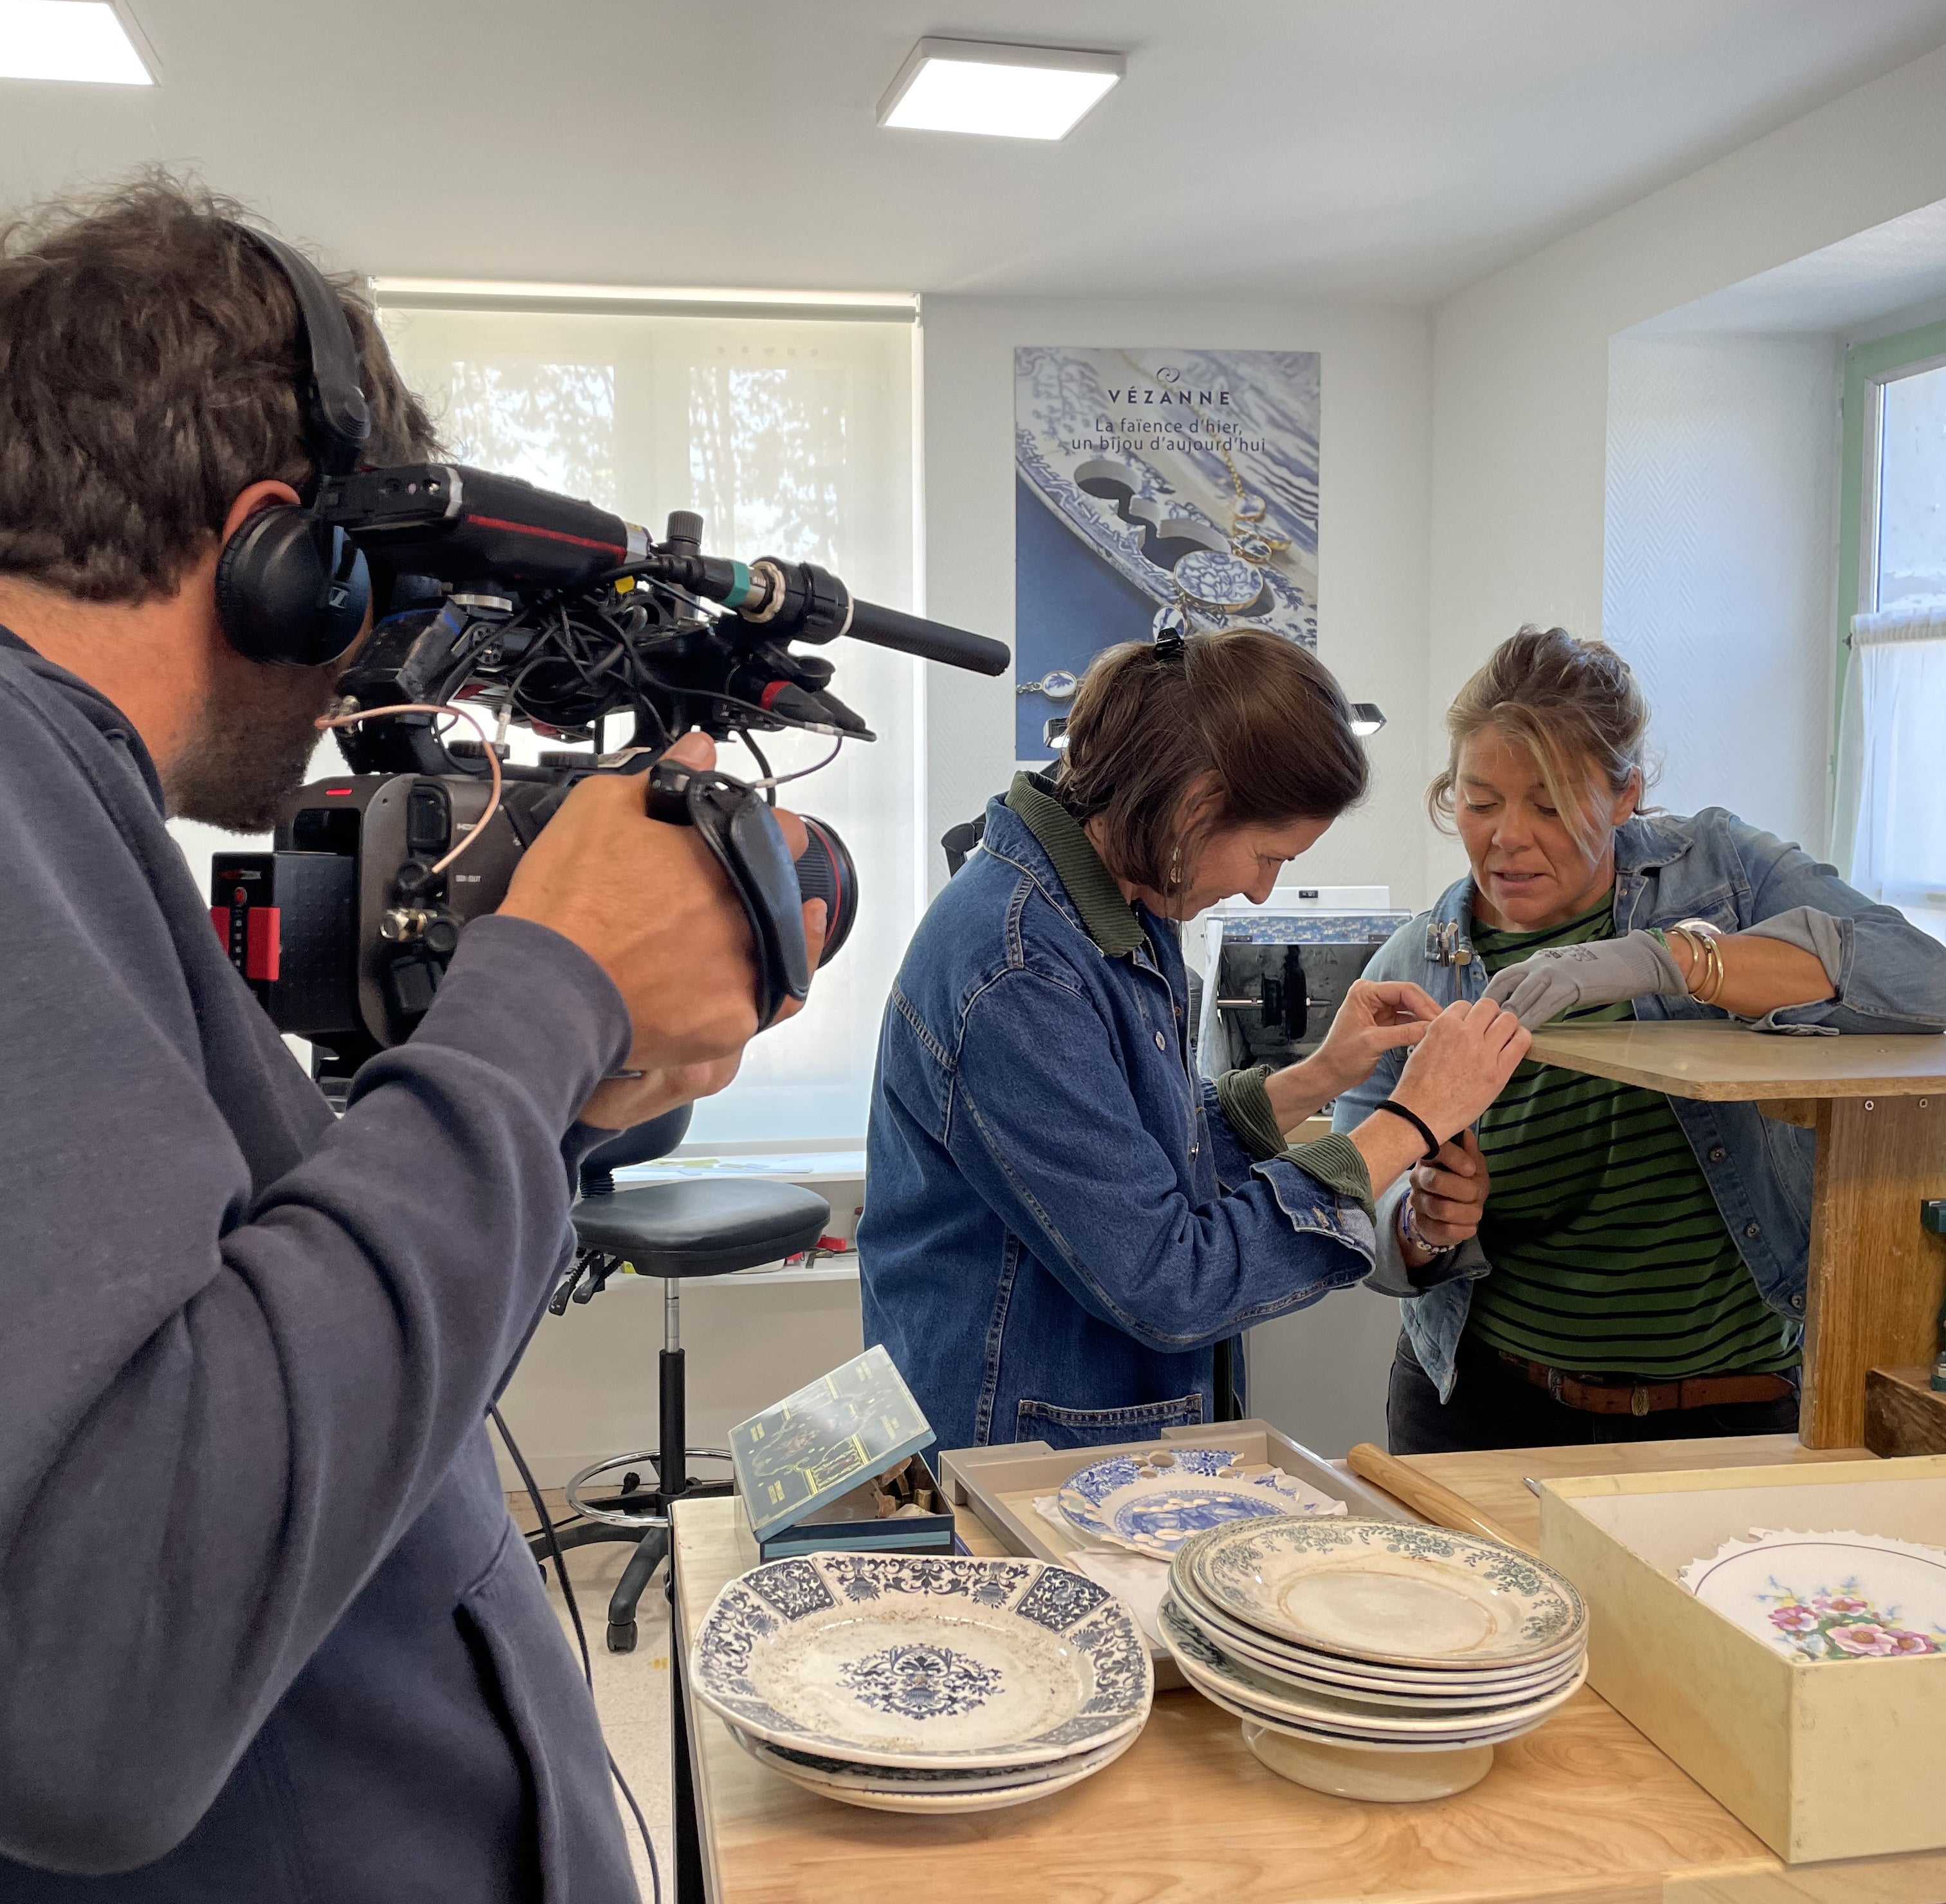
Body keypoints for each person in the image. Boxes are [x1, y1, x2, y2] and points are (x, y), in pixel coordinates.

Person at [0, 178, 820, 1897]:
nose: (361, 661)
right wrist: (542, 988)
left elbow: (295, 1363)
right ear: (282, 550)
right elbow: (94, 1691)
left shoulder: (70, 819)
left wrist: (565, 1096)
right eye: (366, 593)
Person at [858, 627, 1532, 1455]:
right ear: (1197, 805)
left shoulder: (1118, 904)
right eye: (1265, 855)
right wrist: (1412, 1121)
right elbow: (1169, 1280)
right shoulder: (1022, 971)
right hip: (1016, 1450)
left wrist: (1319, 1076)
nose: (1259, 891)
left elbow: (1132, 1156)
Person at [1334, 626, 1946, 1453]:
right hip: (1486, 1408)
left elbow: (1922, 980)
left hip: (1738, 1408)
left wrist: (1675, 959)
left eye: (1549, 804)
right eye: (1480, 802)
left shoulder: (1727, 872)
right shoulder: (1420, 964)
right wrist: (1421, 1224)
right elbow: (1352, 1194)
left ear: (1626, 796)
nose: (1507, 836)